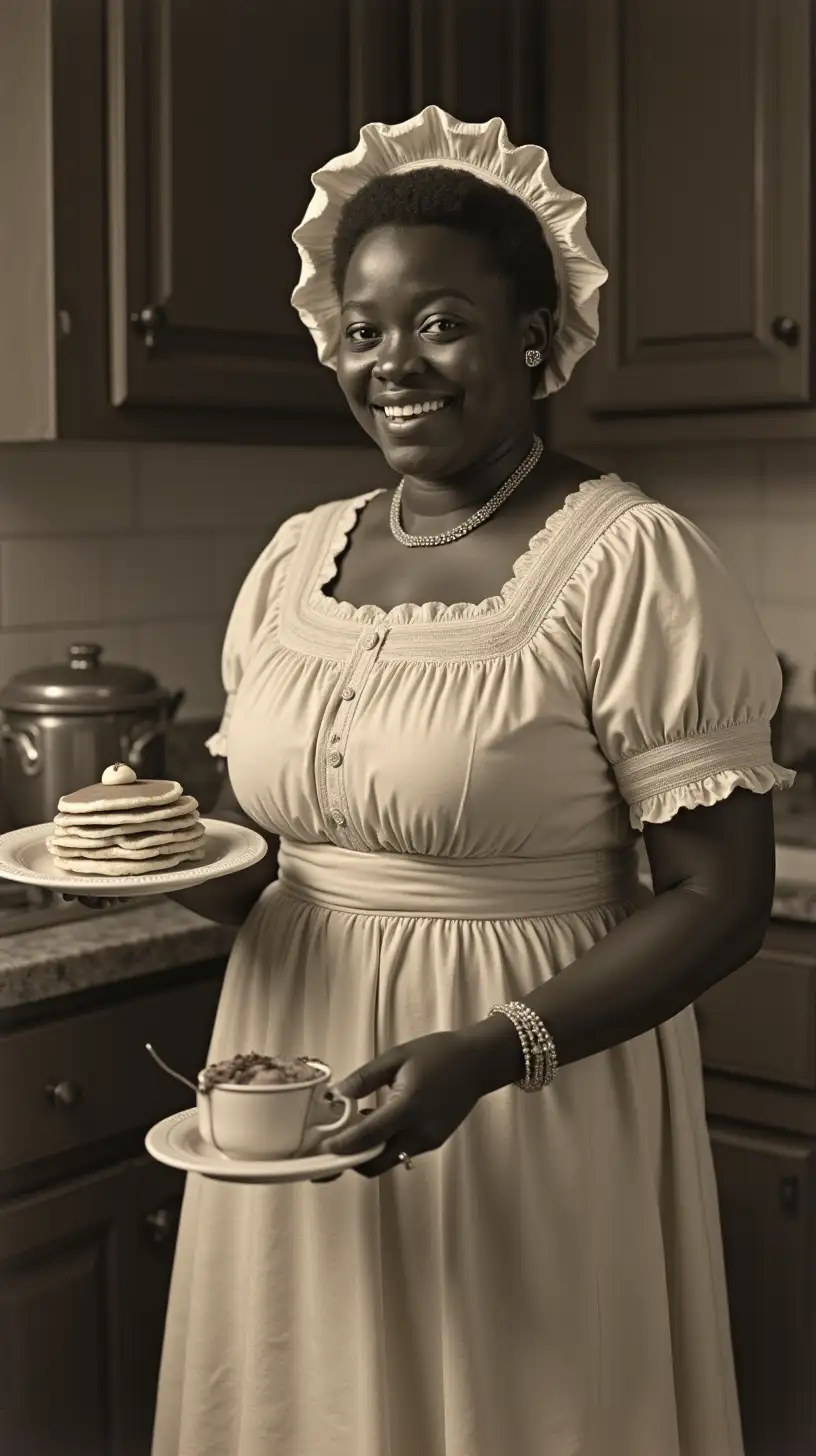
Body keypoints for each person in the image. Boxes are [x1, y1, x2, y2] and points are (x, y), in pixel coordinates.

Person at [115, 108, 796, 1454]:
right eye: (363, 332)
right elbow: (274, 861)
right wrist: (161, 851)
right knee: (295, 1400)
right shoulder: (295, 555)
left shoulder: (631, 561)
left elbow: (724, 898)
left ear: (538, 339)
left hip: (523, 1084)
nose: (392, 365)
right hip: (292, 1083)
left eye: (439, 322)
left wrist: (493, 1052)